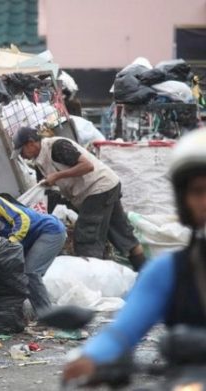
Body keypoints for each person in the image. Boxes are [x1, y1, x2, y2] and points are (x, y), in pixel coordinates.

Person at [62, 128, 206, 383]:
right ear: (184, 201)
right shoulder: (168, 271)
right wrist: (90, 357)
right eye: (197, 191)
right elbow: (123, 330)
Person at [11, 127, 145, 271]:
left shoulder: (56, 147)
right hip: (105, 187)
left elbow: (87, 166)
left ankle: (93, 280)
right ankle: (145, 273)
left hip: (98, 188)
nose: (23, 156)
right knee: (123, 234)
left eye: (22, 151)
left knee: (86, 238)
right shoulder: (40, 161)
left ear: (31, 143)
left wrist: (57, 176)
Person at [0, 194, 66, 316]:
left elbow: (23, 219)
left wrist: (11, 242)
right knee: (19, 276)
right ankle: (38, 312)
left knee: (31, 272)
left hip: (49, 230)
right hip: (28, 242)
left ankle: (47, 316)